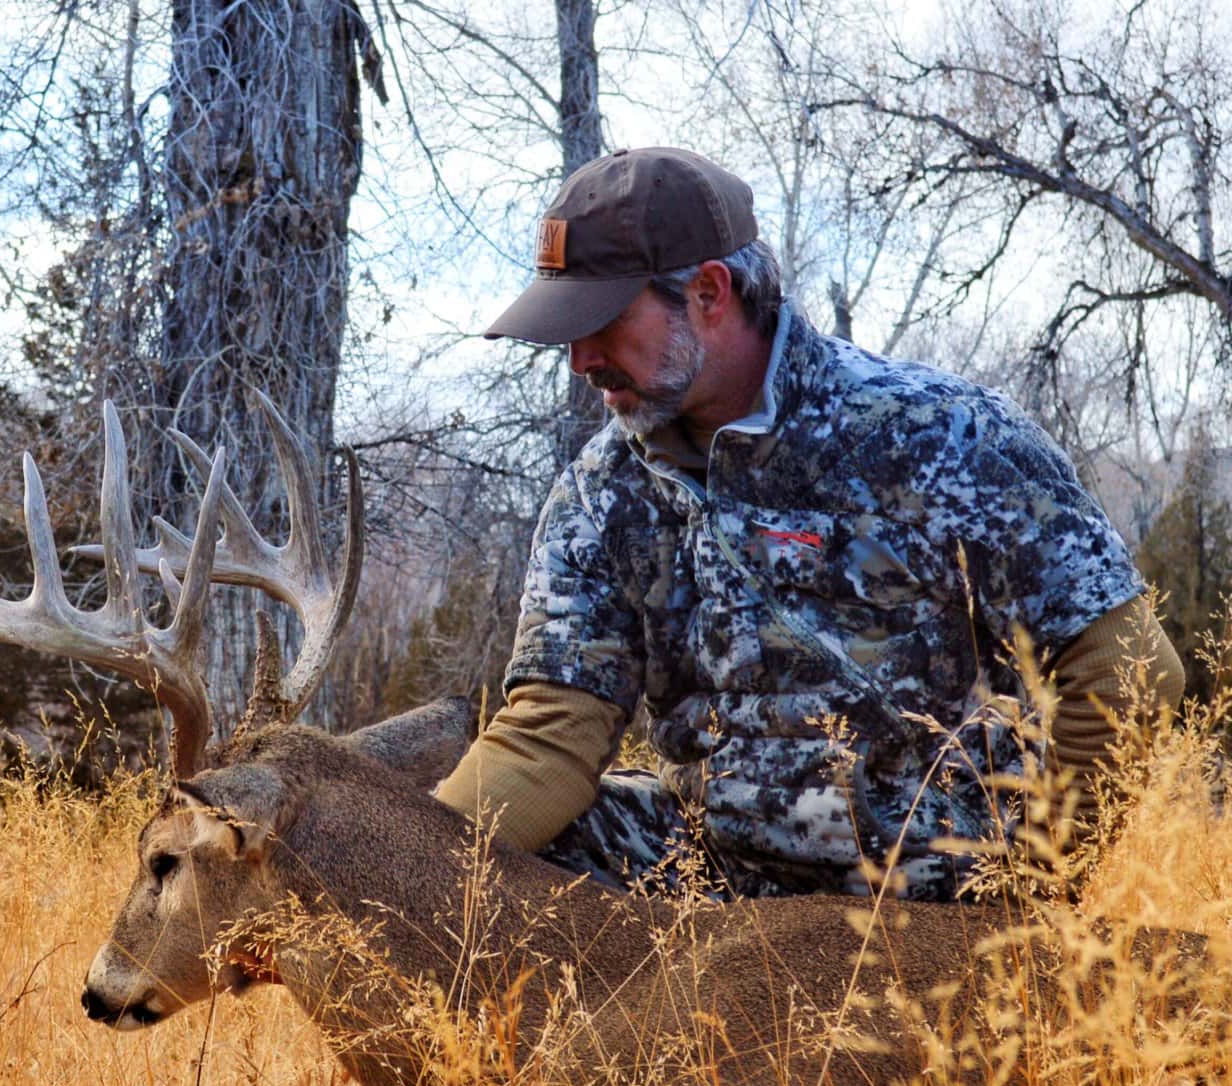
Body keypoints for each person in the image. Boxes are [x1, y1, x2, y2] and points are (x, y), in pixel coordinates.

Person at [436, 147, 1184, 902]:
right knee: (512, 852)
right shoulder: (602, 493)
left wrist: (1040, 886)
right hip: (704, 885)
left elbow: (1129, 671)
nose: (580, 358)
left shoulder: (943, 437)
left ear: (709, 291)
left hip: (929, 892)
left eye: (603, 322)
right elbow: (547, 736)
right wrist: (396, 866)